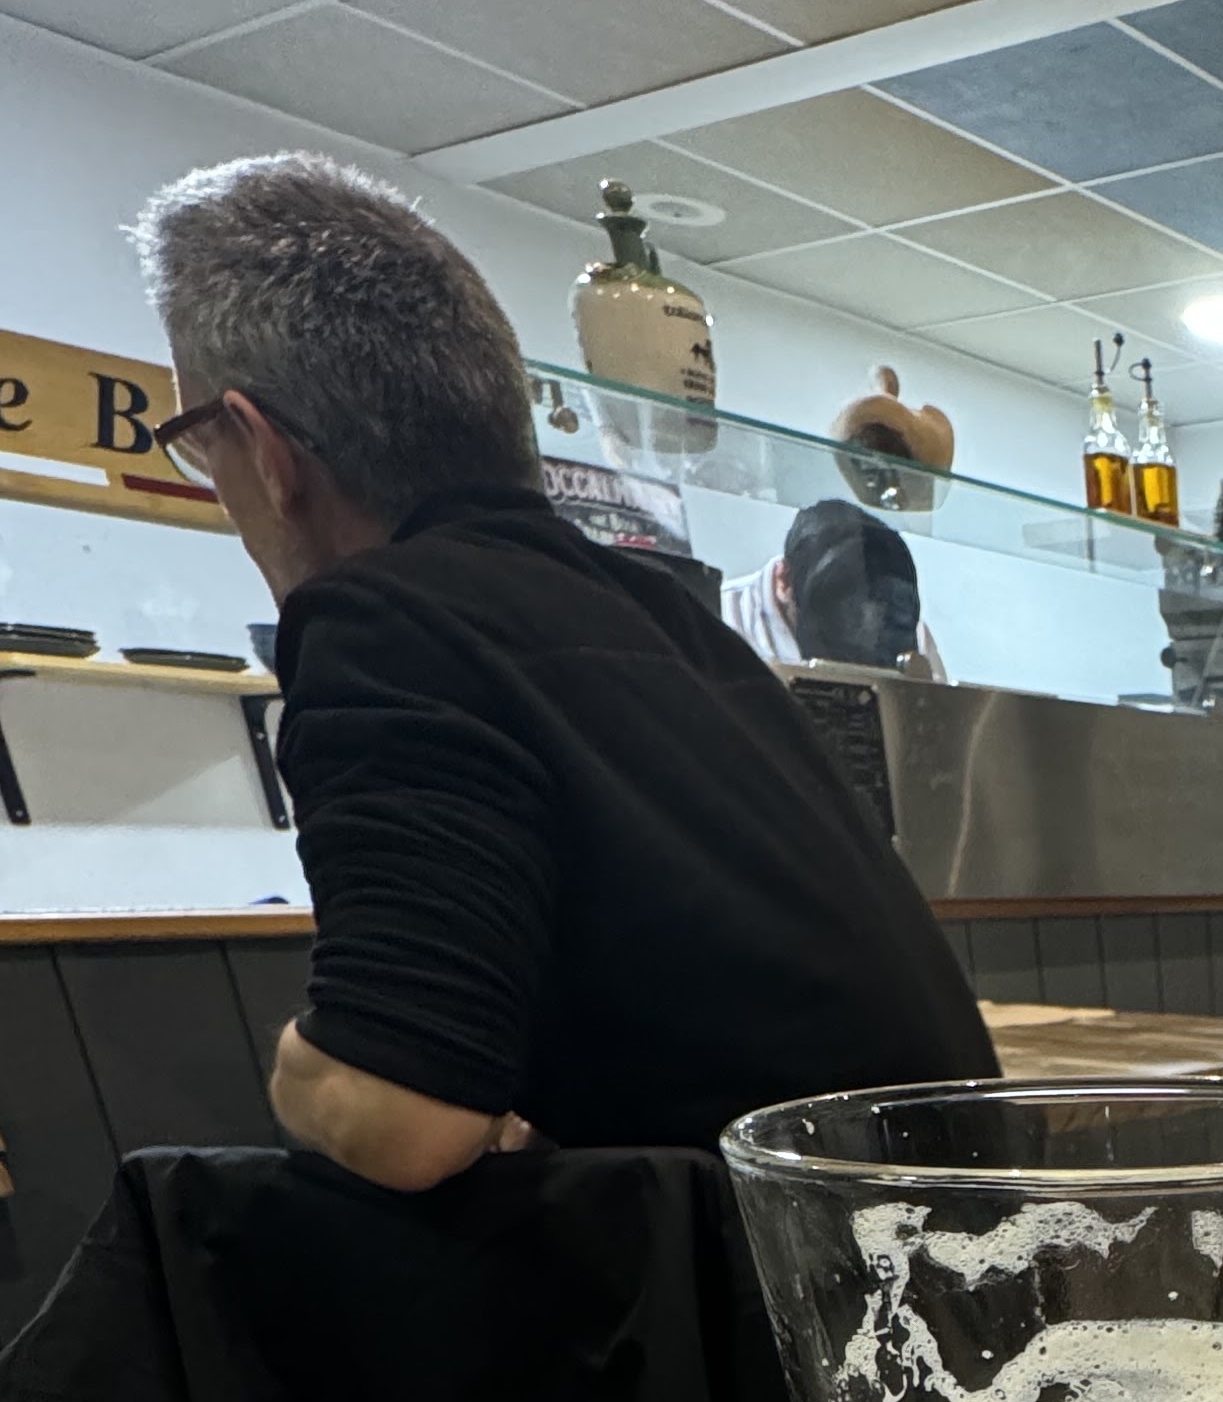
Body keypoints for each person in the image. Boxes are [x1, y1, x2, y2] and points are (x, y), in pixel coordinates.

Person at [137, 153, 992, 1191]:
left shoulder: (383, 617)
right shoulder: (660, 615)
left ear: (265, 451)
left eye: (197, 444)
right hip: (938, 1244)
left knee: (176, 1215)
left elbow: (400, 1121)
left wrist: (302, 1072)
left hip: (797, 1272)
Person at [723, 496, 949, 677]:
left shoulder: (911, 634)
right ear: (784, 581)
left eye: (881, 600)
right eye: (846, 601)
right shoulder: (723, 617)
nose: (868, 621)